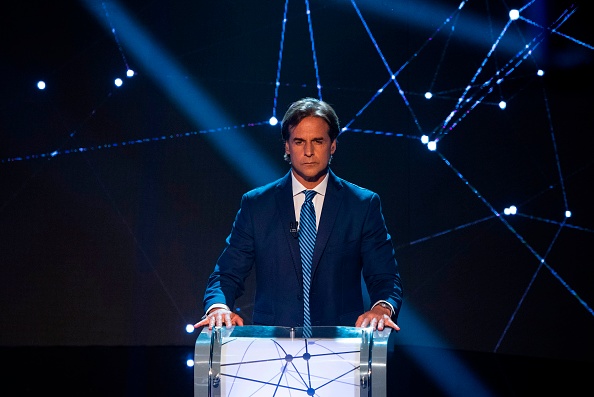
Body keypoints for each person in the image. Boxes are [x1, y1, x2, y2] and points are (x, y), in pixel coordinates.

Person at [194, 97, 402, 333]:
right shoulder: (257, 205)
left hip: (341, 347)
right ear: (287, 146)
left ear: (333, 145)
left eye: (318, 141)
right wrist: (218, 307)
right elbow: (226, 274)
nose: (309, 152)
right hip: (272, 347)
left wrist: (382, 308)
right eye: (300, 141)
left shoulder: (362, 205)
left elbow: (385, 277)